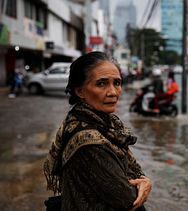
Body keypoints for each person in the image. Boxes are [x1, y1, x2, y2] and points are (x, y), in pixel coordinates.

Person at [43, 51, 152, 211]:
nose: (113, 92)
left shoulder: (86, 119)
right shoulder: (90, 143)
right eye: (101, 84)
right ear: (80, 91)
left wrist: (142, 180)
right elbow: (128, 199)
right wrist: (145, 183)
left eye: (117, 83)